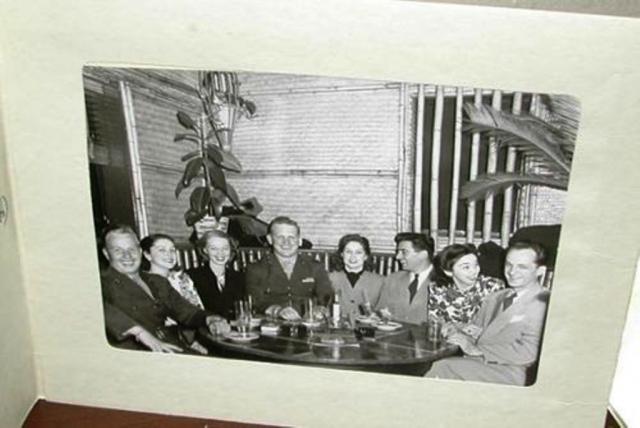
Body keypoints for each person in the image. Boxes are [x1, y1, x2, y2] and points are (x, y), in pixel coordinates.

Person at [425, 241, 550, 386]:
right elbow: (474, 331)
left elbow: (530, 351)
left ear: (540, 271)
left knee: (442, 368)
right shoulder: (495, 297)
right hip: (476, 363)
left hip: (510, 371)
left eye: (522, 267)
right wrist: (457, 333)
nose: (512, 272)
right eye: (509, 265)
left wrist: (476, 349)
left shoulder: (545, 303)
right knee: (436, 366)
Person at [100, 225, 229, 353]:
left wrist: (210, 319)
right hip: (135, 352)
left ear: (139, 251)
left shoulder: (157, 281)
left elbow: (186, 311)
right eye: (118, 250)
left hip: (170, 345)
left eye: (131, 249)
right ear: (106, 254)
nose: (127, 255)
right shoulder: (101, 282)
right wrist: (139, 333)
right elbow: (101, 309)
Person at [245, 216, 333, 316]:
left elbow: (326, 297)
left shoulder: (315, 267)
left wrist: (320, 309)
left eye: (291, 237)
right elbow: (255, 301)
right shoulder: (256, 268)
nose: (286, 242)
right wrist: (277, 311)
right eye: (280, 237)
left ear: (299, 240)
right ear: (270, 239)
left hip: (307, 319)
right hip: (271, 321)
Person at [429, 244, 504, 324]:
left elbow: (498, 323)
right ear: (448, 272)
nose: (474, 271)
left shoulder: (493, 287)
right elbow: (434, 323)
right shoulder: (438, 290)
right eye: (466, 267)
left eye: (476, 265)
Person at [376, 232, 436, 324]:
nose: (398, 257)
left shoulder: (443, 282)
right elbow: (380, 311)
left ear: (423, 255)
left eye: (404, 252)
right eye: (398, 252)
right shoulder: (392, 279)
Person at [187, 230, 246, 321]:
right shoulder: (192, 276)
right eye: (214, 249)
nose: (220, 253)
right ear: (205, 250)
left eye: (225, 248)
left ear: (231, 249)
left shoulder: (239, 277)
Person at [329, 234, 384, 319]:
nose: (353, 257)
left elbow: (385, 311)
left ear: (365, 256)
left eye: (358, 252)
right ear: (342, 254)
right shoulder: (330, 279)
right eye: (348, 252)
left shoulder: (380, 281)